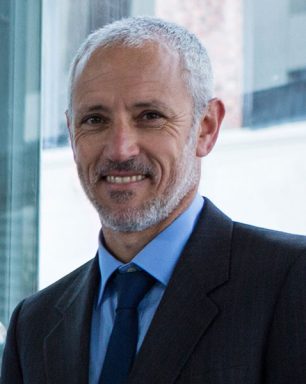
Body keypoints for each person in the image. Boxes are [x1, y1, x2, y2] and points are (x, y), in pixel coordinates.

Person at [1, 16, 306, 384]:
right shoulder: (34, 324)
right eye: (95, 120)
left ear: (206, 128)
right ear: (71, 133)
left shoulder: (291, 280)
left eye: (149, 116)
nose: (120, 149)